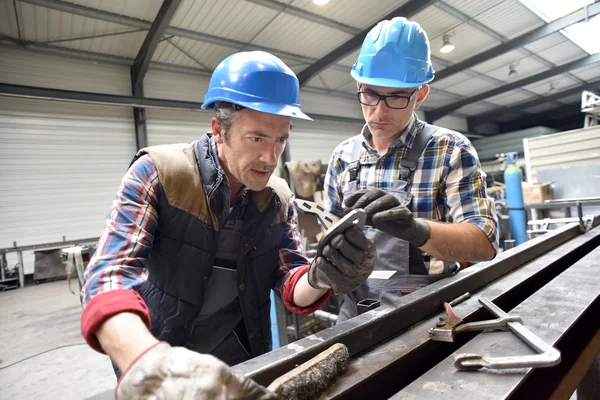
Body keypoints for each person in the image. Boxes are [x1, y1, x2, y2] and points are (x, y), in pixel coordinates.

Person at [80, 51, 376, 399]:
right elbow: (108, 276)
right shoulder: (158, 175)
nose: (270, 158)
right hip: (165, 368)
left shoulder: (277, 199)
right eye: (257, 138)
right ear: (219, 129)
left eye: (280, 139)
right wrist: (149, 364)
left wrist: (321, 275)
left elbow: (289, 280)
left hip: (246, 366)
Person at [323, 17, 498, 322]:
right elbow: (333, 224)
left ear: (420, 94)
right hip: (354, 311)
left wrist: (417, 230)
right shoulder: (343, 156)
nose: (378, 111)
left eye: (396, 97)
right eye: (370, 94)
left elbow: (484, 244)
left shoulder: (449, 149)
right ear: (359, 85)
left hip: (426, 312)